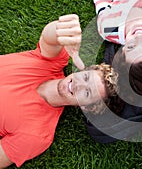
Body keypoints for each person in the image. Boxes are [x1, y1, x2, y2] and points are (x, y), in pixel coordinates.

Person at [0, 14, 118, 168]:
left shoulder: (37, 134)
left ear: (86, 107)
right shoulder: (53, 62)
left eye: (87, 93)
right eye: (86, 77)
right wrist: (61, 29)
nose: (79, 85)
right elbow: (50, 38)